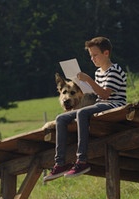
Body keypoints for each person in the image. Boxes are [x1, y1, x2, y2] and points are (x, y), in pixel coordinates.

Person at [43, 36, 127, 182]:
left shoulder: (115, 70)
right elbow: (97, 94)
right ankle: (60, 163)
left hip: (114, 105)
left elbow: (105, 95)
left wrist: (88, 80)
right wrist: (84, 86)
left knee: (82, 112)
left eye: (95, 55)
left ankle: (82, 161)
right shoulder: (98, 72)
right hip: (100, 104)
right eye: (91, 56)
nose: (92, 59)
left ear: (106, 53)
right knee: (61, 118)